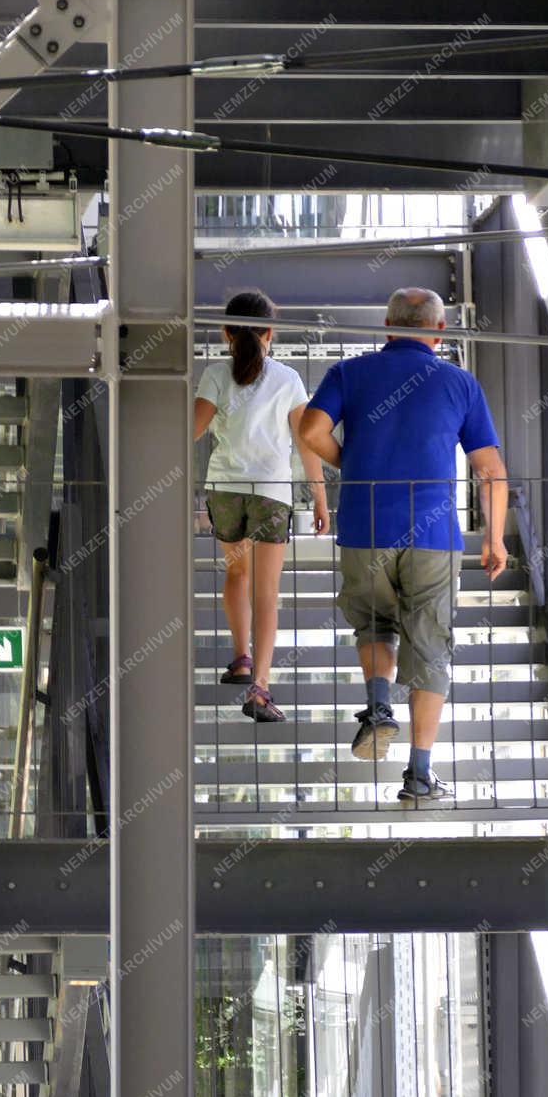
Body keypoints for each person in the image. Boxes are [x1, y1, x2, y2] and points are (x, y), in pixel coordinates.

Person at [299, 286, 509, 806]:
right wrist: (497, 538)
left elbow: (309, 428)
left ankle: (377, 708)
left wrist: (347, 462)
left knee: (373, 623)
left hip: (363, 526)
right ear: (439, 331)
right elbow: (490, 470)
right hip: (433, 535)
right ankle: (418, 776)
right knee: (429, 646)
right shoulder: (460, 383)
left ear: (387, 326)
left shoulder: (350, 373)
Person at [194, 288, 329, 722]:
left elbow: (189, 432)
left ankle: (240, 657)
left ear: (225, 332)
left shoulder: (215, 374)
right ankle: (260, 690)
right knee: (266, 593)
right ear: (270, 332)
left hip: (226, 492)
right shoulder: (287, 379)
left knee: (237, 571)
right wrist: (319, 497)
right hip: (271, 494)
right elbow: (307, 443)